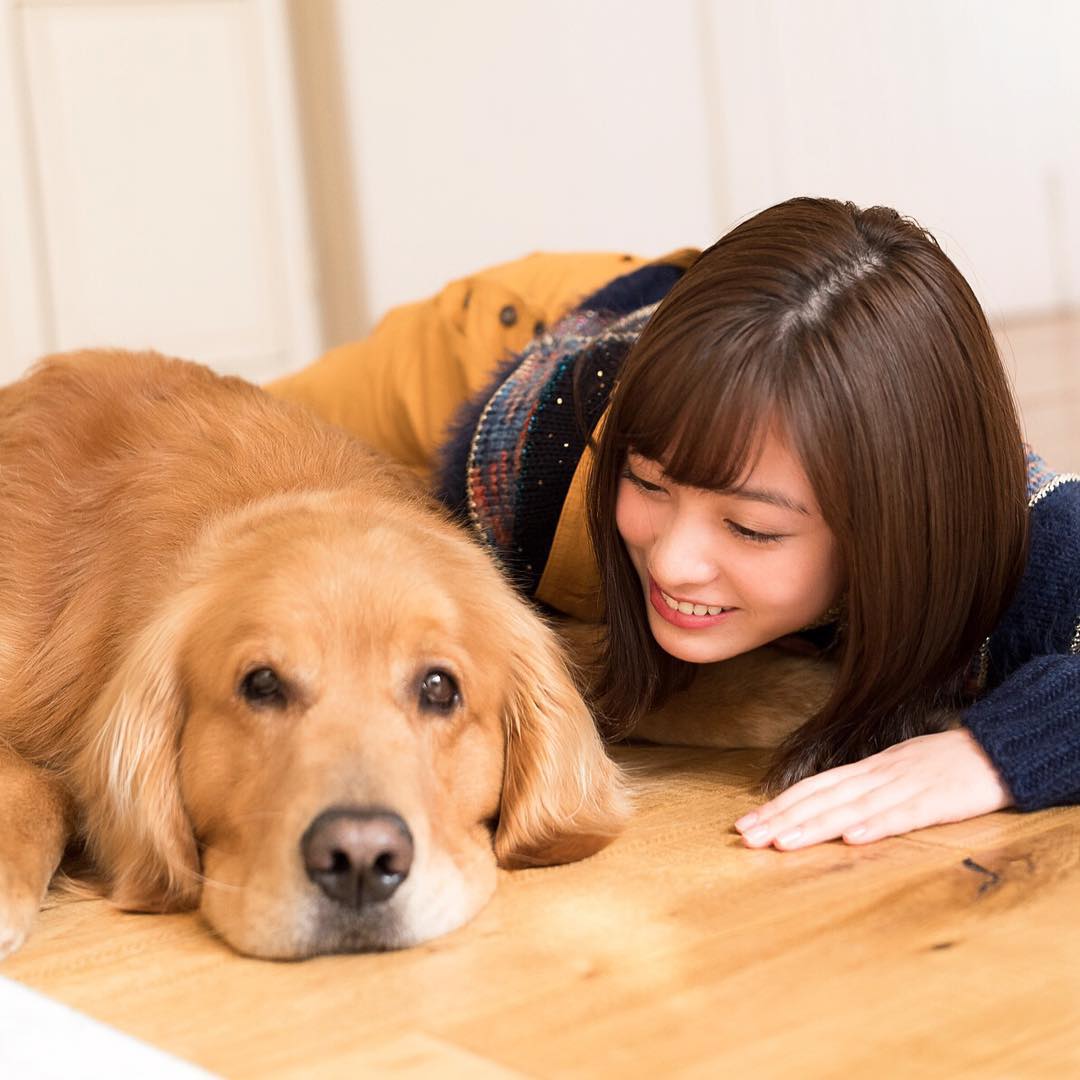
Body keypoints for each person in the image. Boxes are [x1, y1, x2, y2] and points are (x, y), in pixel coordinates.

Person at [268, 197, 1080, 851]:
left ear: (894, 530)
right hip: (481, 354)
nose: (676, 561)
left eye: (752, 528)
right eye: (652, 485)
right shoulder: (535, 469)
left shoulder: (1013, 532)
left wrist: (991, 754)